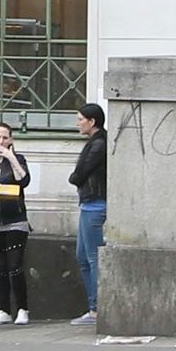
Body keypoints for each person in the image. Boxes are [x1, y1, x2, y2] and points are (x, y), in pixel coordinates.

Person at [0, 122, 34, 323]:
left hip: (15, 220)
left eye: (5, 138)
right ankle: (4, 310)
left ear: (11, 140)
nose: (1, 141)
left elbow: (24, 180)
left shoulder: (18, 159)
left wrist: (11, 158)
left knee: (15, 265)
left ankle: (22, 308)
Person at [68, 104, 108, 327]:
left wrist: (74, 178)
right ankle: (93, 305)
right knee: (83, 256)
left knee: (92, 257)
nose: (78, 123)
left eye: (81, 119)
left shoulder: (98, 143)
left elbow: (82, 171)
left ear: (92, 121)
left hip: (95, 203)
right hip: (89, 203)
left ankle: (97, 308)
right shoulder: (96, 142)